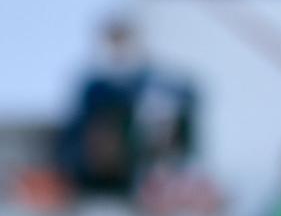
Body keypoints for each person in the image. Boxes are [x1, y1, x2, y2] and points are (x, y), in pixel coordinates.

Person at [59, 18, 198, 199]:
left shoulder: (159, 85)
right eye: (114, 41)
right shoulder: (94, 89)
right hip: (99, 182)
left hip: (150, 179)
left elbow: (183, 101)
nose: (119, 48)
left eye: (123, 40)